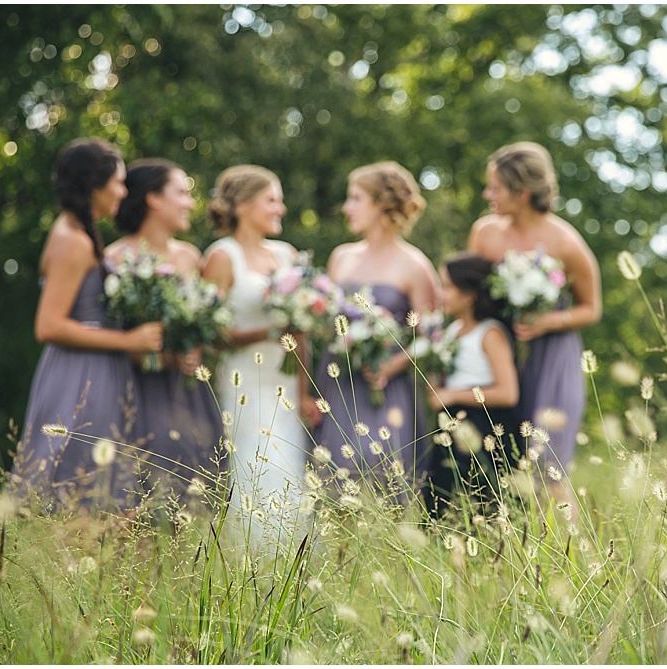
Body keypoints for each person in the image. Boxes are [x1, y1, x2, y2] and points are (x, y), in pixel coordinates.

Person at [10, 138, 163, 511]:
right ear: (95, 186)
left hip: (97, 369)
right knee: (74, 484)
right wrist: (130, 339)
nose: (124, 192)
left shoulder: (80, 233)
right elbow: (48, 325)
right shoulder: (73, 242)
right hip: (79, 374)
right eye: (118, 183)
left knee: (100, 489)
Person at [467, 141, 602, 509]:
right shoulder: (485, 233)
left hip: (552, 358)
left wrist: (548, 321)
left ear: (522, 193)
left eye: (495, 187)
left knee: (548, 467)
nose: (487, 194)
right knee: (499, 461)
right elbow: (470, 296)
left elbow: (591, 308)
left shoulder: (565, 242)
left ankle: (568, 557)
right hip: (500, 354)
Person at [312, 161, 441, 493]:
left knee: (385, 476)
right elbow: (326, 320)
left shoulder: (415, 266)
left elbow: (431, 334)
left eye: (355, 198)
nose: (347, 207)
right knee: (335, 479)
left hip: (386, 388)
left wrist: (391, 364)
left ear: (382, 203)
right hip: (338, 381)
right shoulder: (341, 257)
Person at [202, 164, 313, 551]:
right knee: (253, 467)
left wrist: (305, 390)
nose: (280, 209)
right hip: (243, 381)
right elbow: (208, 333)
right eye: (272, 200)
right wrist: (266, 334)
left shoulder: (287, 255)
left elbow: (302, 333)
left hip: (285, 386)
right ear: (244, 205)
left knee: (290, 470)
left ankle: (291, 561)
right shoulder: (221, 256)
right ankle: (250, 559)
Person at [105, 159, 226, 508]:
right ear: (153, 199)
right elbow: (108, 335)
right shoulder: (113, 258)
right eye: (182, 193)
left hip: (187, 393)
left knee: (191, 499)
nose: (190, 202)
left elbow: (203, 323)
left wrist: (195, 350)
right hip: (135, 391)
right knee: (137, 499)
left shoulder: (190, 257)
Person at [422, 253, 520, 520]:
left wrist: (452, 394)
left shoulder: (490, 333)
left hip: (485, 424)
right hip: (450, 425)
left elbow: (508, 393)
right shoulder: (451, 331)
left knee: (485, 502)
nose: (441, 294)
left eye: (448, 287)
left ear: (470, 296)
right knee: (440, 498)